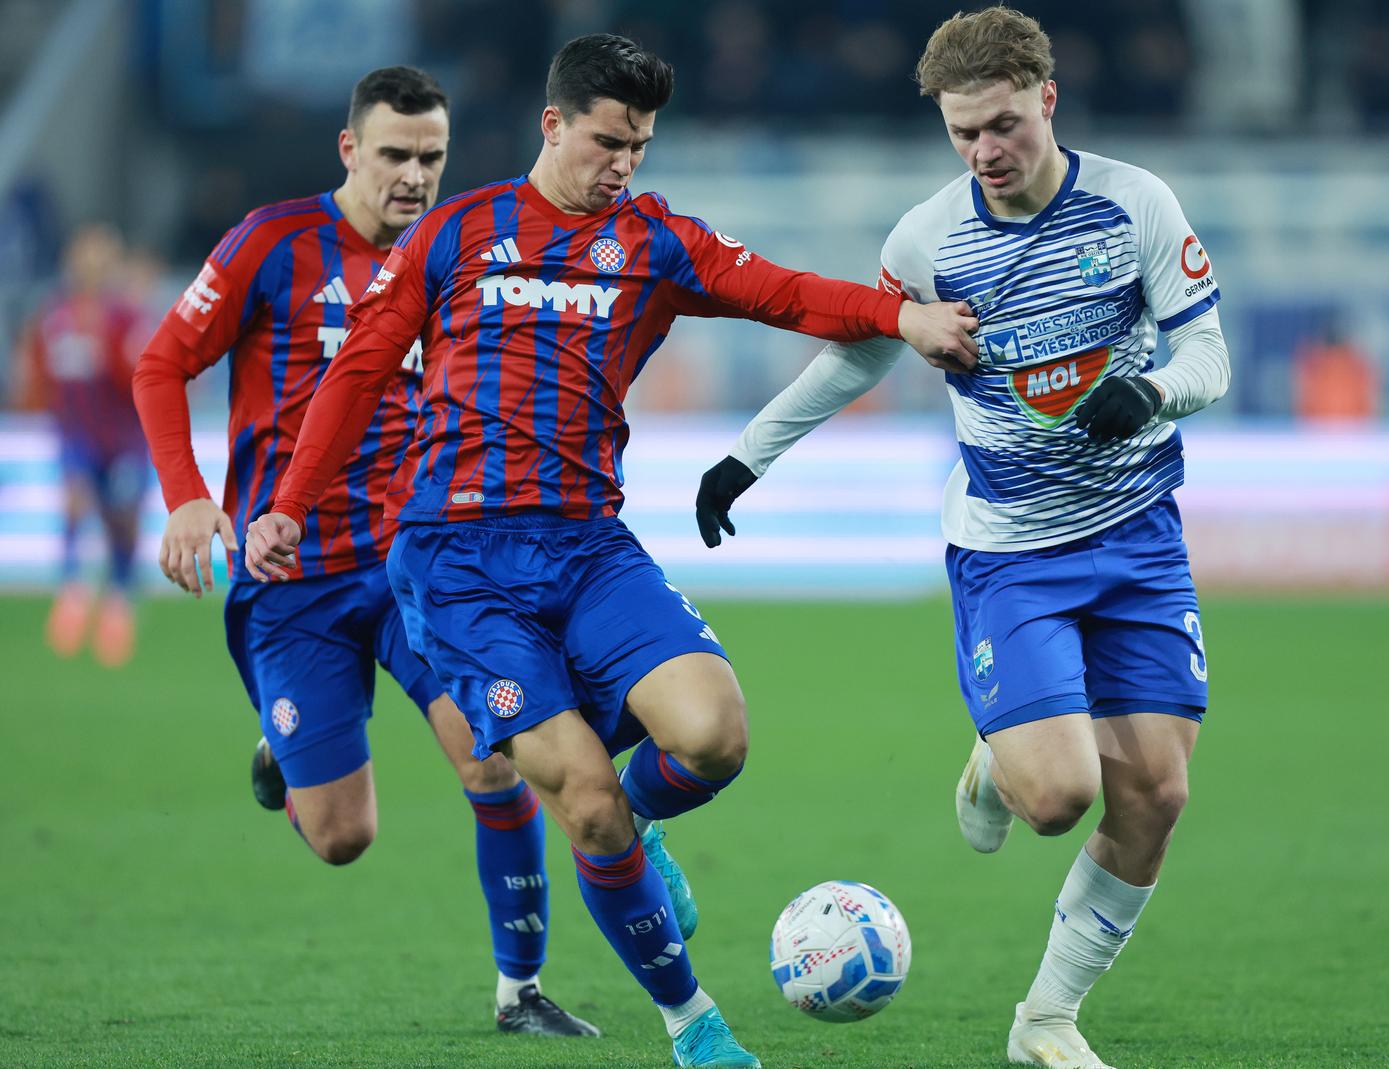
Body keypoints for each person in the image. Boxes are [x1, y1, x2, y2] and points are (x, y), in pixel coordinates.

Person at [242, 33, 978, 1069]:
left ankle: (639, 822)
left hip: (588, 547)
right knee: (578, 800)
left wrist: (900, 315)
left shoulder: (654, 240)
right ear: (553, 125)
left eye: (638, 144)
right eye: (606, 141)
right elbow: (360, 368)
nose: (623, 162)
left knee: (714, 731)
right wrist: (286, 504)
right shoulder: (458, 231)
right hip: (457, 564)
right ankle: (692, 1021)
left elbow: (782, 292)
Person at [694, 9, 1229, 1068]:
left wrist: (1155, 392)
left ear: (1047, 100)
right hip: (1010, 549)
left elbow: (1207, 351)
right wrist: (747, 456)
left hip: (1137, 540)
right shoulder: (930, 240)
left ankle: (1045, 1020)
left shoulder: (1134, 208)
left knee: (1157, 794)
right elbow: (860, 353)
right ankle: (998, 753)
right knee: (1056, 798)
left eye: (1000, 126)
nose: (985, 152)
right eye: (961, 134)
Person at [131, 66, 595, 1038]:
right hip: (289, 574)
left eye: (431, 157)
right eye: (394, 155)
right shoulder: (273, 243)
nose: (414, 176)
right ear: (350, 149)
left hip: (415, 566)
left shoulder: (466, 253)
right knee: (343, 837)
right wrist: (185, 497)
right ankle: (283, 750)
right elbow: (162, 361)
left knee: (494, 755)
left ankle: (521, 992)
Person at [18, 224, 148, 667]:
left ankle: (118, 603)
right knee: (74, 502)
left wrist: (106, 345)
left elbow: (139, 377)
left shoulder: (127, 319)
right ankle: (72, 590)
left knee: (122, 524)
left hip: (125, 438)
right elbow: (40, 371)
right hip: (76, 435)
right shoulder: (56, 316)